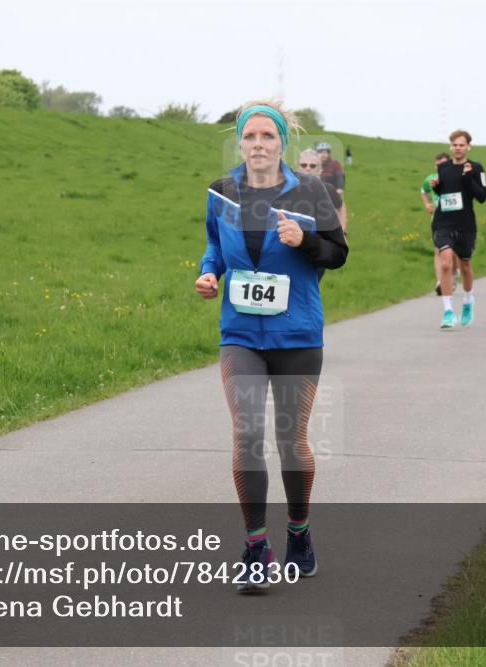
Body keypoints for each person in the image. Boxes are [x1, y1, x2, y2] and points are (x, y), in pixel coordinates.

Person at [195, 100, 347, 593]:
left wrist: (305, 240)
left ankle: (299, 531)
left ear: (282, 143)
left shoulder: (310, 191)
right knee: (246, 434)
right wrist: (209, 273)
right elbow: (214, 245)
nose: (258, 144)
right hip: (240, 333)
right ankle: (256, 548)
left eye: (268, 136)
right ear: (239, 142)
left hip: (297, 333)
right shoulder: (221, 192)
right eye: (250, 136)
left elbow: (338, 253)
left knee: (289, 440)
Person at [431, 129, 486, 327]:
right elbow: (444, 191)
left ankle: (468, 301)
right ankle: (448, 311)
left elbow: (482, 197)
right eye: (455, 145)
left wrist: (469, 177)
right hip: (443, 221)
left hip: (465, 223)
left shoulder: (476, 168)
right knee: (446, 263)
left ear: (468, 147)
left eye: (461, 145)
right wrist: (436, 186)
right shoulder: (443, 167)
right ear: (450, 146)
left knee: (465, 266)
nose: (458, 148)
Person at [422, 152, 454, 294]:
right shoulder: (431, 178)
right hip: (438, 219)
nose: (440, 168)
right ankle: (440, 282)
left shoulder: (456, 177)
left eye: (443, 165)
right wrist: (427, 204)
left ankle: (453, 274)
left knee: (454, 251)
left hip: (456, 218)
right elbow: (423, 190)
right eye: (437, 165)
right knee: (438, 250)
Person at [298, 148, 346, 232]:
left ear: (319, 170)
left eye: (313, 166)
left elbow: (341, 206)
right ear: (298, 168)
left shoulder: (328, 188)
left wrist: (342, 230)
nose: (308, 168)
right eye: (303, 165)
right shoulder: (290, 188)